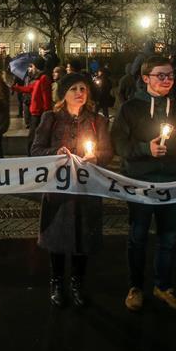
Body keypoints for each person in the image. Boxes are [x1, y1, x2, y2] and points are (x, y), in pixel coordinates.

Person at [111, 55, 176, 313]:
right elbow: (118, 144)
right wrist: (144, 148)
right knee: (138, 236)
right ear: (145, 78)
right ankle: (135, 286)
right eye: (161, 75)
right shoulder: (130, 109)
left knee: (168, 238)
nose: (167, 80)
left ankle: (163, 285)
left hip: (172, 184)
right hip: (141, 183)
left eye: (170, 75)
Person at [31, 73, 112, 307]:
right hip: (59, 190)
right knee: (57, 237)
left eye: (83, 89)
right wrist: (54, 153)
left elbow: (108, 152)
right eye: (74, 89)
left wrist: (97, 157)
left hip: (86, 190)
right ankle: (57, 281)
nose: (79, 93)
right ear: (63, 94)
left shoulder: (98, 121)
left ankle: (78, 282)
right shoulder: (51, 118)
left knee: (83, 237)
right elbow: (36, 150)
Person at [12, 58, 53, 151]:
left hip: (39, 115)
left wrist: (46, 114)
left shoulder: (43, 79)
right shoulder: (38, 79)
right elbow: (29, 88)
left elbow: (46, 98)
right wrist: (15, 88)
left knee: (33, 139)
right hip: (35, 114)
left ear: (37, 67)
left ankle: (32, 156)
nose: (31, 68)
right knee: (32, 138)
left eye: (32, 66)